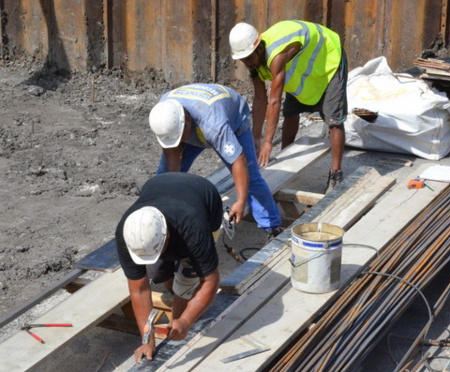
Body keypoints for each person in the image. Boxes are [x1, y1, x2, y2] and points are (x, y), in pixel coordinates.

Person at [229, 20, 348, 193]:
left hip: (328, 57)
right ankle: (286, 158)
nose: (247, 63)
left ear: (259, 49)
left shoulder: (276, 56)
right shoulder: (254, 61)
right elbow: (261, 100)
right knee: (291, 112)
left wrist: (268, 142)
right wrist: (256, 137)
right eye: (242, 60)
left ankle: (336, 172)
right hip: (303, 65)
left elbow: (274, 101)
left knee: (333, 119)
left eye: (248, 58)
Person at [148, 83, 282, 237]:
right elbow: (172, 157)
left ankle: (272, 226)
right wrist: (171, 198)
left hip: (233, 118)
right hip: (196, 120)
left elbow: (239, 161)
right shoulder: (165, 113)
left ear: (187, 121)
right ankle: (157, 221)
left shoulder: (214, 125)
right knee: (164, 178)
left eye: (179, 138)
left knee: (250, 177)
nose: (178, 144)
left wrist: (240, 201)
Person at [115, 172, 222, 362]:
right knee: (156, 272)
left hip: (204, 197)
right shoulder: (128, 232)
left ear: (167, 237)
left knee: (186, 284)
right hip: (160, 186)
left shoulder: (194, 230)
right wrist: (147, 340)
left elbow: (210, 280)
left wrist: (185, 320)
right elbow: (139, 289)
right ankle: (175, 305)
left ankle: (178, 322)